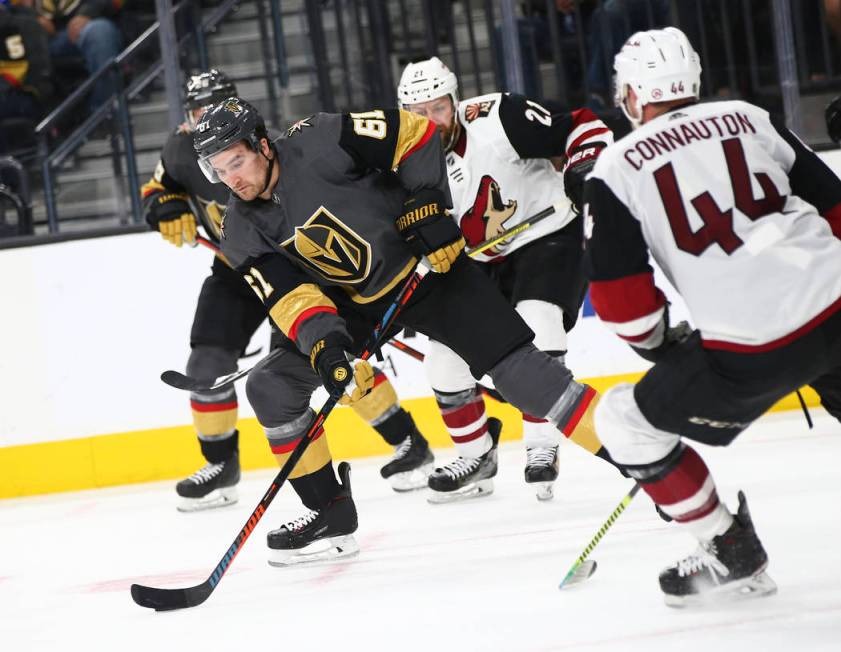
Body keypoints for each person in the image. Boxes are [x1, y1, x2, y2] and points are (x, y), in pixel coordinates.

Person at [192, 97, 615, 564]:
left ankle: (635, 452)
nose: (232, 179)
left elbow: (412, 133)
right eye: (218, 170)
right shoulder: (240, 229)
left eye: (236, 162)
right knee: (271, 385)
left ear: (263, 145)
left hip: (429, 269)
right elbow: (292, 297)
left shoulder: (320, 137)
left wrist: (428, 203)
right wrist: (328, 350)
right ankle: (330, 513)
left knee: (521, 377)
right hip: (355, 306)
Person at [583, 27, 841, 606]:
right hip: (837, 299)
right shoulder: (750, 117)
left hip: (750, 348)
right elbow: (836, 207)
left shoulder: (618, 165)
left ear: (631, 95)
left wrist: (662, 347)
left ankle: (732, 554)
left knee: (626, 421)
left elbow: (622, 304)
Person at [142, 70, 434, 513]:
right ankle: (220, 467)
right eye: (195, 112)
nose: (203, 121)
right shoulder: (181, 149)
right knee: (205, 361)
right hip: (233, 271)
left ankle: (407, 440)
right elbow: (158, 187)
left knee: (323, 362)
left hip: (295, 274)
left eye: (211, 109)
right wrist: (162, 204)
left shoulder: (266, 146)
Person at [396, 56, 612, 502]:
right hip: (477, 259)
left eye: (437, 108)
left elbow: (581, 125)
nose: (429, 122)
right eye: (417, 114)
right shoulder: (400, 164)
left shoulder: (497, 117)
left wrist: (583, 166)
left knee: (539, 323)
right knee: (443, 359)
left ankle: (541, 445)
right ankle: (477, 455)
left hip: (546, 234)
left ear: (455, 102)